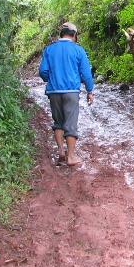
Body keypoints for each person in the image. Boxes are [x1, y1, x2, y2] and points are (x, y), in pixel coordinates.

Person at [39, 22, 95, 167]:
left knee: (58, 123)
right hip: (71, 92)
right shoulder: (78, 50)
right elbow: (86, 73)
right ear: (74, 35)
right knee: (70, 124)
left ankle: (61, 153)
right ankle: (71, 156)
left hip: (54, 92)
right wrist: (90, 90)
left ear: (61, 34)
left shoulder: (49, 49)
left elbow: (43, 72)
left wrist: (51, 79)